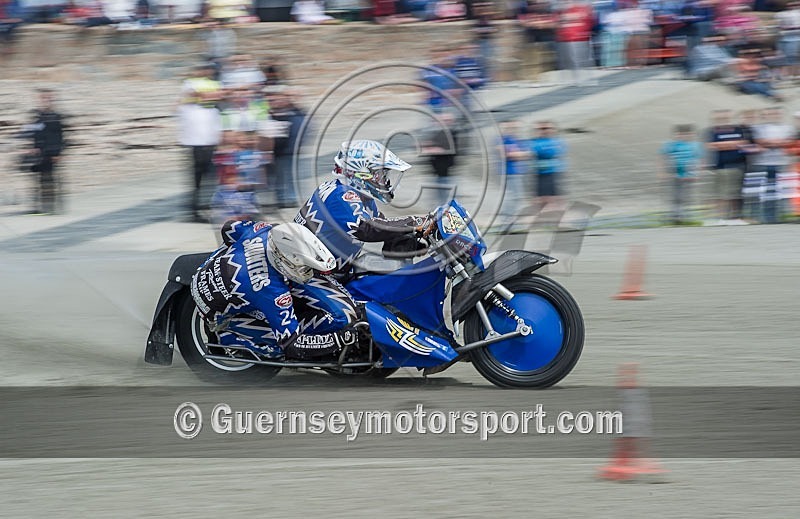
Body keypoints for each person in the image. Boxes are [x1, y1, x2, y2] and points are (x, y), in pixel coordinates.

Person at [191, 221, 358, 360]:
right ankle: (228, 337)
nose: (308, 273)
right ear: (281, 260)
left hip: (205, 268)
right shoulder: (271, 291)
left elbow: (228, 228)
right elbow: (292, 344)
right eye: (303, 269)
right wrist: (336, 339)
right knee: (279, 350)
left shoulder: (262, 230)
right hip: (217, 310)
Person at [294, 139, 431, 272]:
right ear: (362, 174)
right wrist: (415, 221)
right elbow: (365, 229)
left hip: (336, 269)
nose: (385, 181)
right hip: (308, 273)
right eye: (380, 175)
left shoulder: (363, 197)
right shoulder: (341, 194)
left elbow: (384, 226)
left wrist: (411, 239)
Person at [178, 63, 223, 222]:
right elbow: (194, 93)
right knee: (198, 178)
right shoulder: (190, 95)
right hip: (197, 144)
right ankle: (195, 209)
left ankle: (205, 206)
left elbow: (219, 94)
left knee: (212, 177)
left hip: (211, 143)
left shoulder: (212, 110)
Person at [752, 107, 794, 223]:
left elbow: (789, 142)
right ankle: (767, 218)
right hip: (763, 164)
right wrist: (778, 142)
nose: (773, 116)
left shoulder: (787, 128)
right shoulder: (759, 128)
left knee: (782, 191)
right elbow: (760, 141)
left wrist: (770, 143)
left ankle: (782, 216)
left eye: (776, 114)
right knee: (767, 192)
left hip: (781, 163)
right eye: (770, 114)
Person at [28, 89, 65, 215]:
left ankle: (50, 206)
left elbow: (60, 136)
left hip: (51, 152)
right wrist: (32, 147)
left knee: (49, 179)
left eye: (47, 98)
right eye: (42, 98)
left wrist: (58, 153)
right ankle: (40, 205)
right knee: (38, 180)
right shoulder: (37, 116)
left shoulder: (56, 117)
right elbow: (33, 133)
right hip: (39, 153)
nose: (44, 101)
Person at [706, 109, 748, 221]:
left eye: (725, 117)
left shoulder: (738, 129)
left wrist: (722, 145)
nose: (723, 120)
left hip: (737, 166)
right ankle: (720, 218)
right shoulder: (712, 131)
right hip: (720, 167)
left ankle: (735, 218)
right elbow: (711, 145)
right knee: (720, 193)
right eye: (720, 118)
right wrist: (733, 144)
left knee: (735, 193)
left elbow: (743, 143)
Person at [660, 124, 704, 224]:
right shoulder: (670, 144)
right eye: (680, 134)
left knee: (686, 195)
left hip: (689, 174)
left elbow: (700, 159)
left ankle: (684, 213)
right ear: (675, 135)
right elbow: (663, 158)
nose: (683, 136)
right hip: (674, 172)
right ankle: (675, 214)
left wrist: (698, 173)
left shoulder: (696, 145)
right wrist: (662, 172)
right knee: (675, 195)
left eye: (687, 134)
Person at [530, 120, 567, 211]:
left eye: (545, 128)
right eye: (540, 129)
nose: (543, 131)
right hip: (539, 173)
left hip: (552, 172)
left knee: (554, 197)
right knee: (539, 198)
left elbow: (548, 152)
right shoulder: (535, 141)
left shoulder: (556, 141)